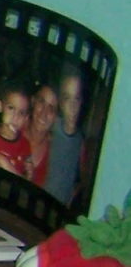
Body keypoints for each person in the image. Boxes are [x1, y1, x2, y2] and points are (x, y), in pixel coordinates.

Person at [43, 65, 89, 204]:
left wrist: (73, 194)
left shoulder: (80, 140)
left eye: (77, 99)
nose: (73, 107)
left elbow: (82, 178)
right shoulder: (51, 126)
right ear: (61, 103)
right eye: (68, 98)